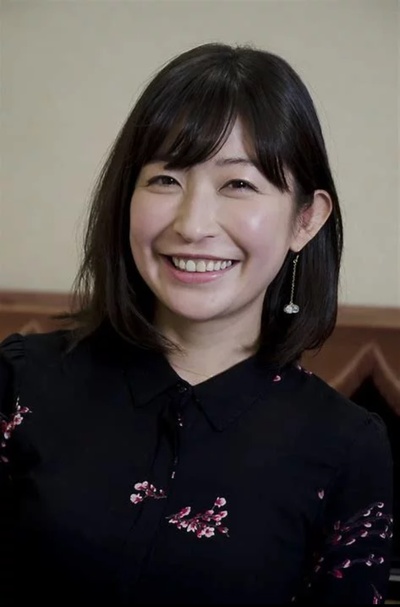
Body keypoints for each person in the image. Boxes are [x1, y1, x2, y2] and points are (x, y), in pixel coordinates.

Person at [0, 43, 394, 605]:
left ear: (305, 219)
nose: (193, 224)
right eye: (166, 179)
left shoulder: (346, 448)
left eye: (239, 184)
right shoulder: (21, 381)